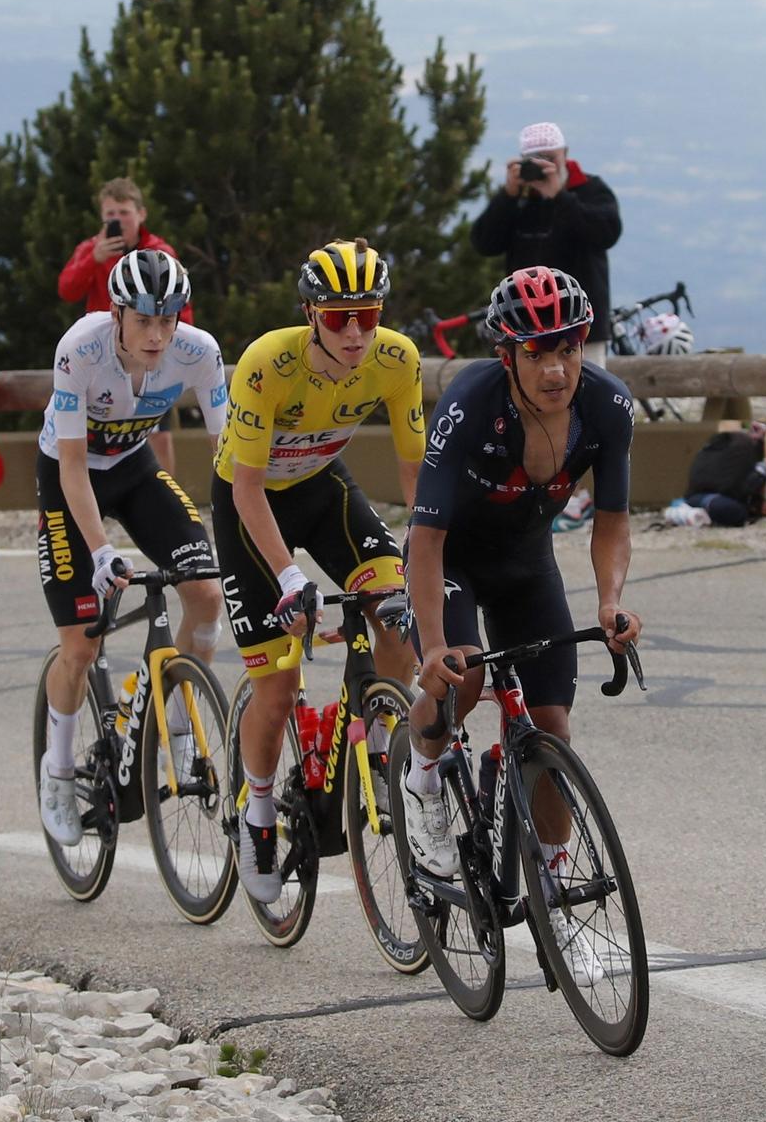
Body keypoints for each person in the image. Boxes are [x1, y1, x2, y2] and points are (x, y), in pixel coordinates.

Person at [401, 267, 642, 985]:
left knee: (552, 728)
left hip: (525, 560)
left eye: (568, 348)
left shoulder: (608, 408)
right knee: (465, 674)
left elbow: (613, 520)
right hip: (453, 558)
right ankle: (422, 781)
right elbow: (426, 536)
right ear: (508, 355)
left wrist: (609, 600)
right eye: (539, 352)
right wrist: (434, 643)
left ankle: (557, 900)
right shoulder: (470, 407)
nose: (557, 366)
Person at [213, 239, 426, 903]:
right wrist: (287, 576)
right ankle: (255, 814)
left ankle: (383, 739)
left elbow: (415, 470)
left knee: (399, 608)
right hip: (249, 506)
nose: (357, 331)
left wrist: (425, 551)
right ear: (310, 313)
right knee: (276, 691)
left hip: (321, 486)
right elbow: (247, 489)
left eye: (368, 313)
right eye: (339, 317)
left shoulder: (397, 358)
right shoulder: (266, 364)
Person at [34, 250, 230, 845]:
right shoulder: (81, 350)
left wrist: (253, 540)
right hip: (69, 476)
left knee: (206, 592)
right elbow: (71, 471)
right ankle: (59, 772)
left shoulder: (200, 351)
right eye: (144, 320)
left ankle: (176, 718)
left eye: (167, 319)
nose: (157, 335)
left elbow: (229, 456)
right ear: (116, 313)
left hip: (134, 469)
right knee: (82, 645)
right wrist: (100, 551)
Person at [57, 178, 191, 473]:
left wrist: (174, 347)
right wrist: (93, 260)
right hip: (101, 357)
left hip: (151, 355)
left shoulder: (160, 250)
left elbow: (180, 303)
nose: (117, 220)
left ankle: (166, 492)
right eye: (110, 215)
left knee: (158, 434)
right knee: (96, 434)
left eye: (124, 213)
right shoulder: (91, 249)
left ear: (141, 214)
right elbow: (67, 290)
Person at [471, 122, 623, 368]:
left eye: (549, 158)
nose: (543, 166)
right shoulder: (518, 200)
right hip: (524, 325)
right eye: (534, 160)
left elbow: (606, 234)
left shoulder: (590, 190)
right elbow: (484, 243)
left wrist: (559, 196)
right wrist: (508, 195)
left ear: (565, 154)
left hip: (582, 327)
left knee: (586, 396)